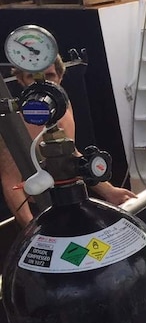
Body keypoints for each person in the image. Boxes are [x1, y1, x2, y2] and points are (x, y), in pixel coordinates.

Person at [1, 55, 137, 226]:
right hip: (36, 210)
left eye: (49, 76)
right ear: (21, 80)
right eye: (32, 77)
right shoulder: (16, 122)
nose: (42, 84)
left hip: (70, 199)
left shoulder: (63, 108)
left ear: (60, 76)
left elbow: (70, 155)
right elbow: (10, 182)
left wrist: (110, 191)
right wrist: (31, 227)